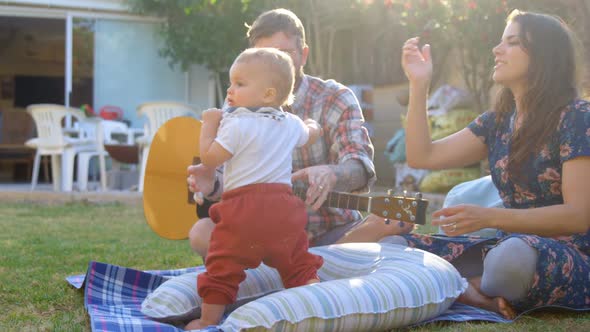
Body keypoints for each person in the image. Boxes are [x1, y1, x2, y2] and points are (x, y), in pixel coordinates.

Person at [375, 10, 590, 319]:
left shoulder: (577, 117)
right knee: (394, 245)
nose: (496, 50)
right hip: (502, 247)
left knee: (511, 260)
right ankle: (474, 292)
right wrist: (419, 84)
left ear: (544, 55)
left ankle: (453, 286)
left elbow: (577, 216)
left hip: (565, 256)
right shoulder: (498, 122)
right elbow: (423, 156)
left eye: (512, 42)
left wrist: (487, 216)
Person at [187, 8, 377, 258]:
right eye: (265, 55)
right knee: (202, 232)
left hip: (333, 233)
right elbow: (233, 184)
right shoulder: (237, 105)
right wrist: (211, 183)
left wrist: (332, 174)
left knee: (392, 240)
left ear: (304, 54)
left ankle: (276, 276)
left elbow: (360, 168)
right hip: (263, 236)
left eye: (284, 53)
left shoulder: (336, 97)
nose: (275, 62)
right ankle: (292, 272)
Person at [185, 48, 324, 329]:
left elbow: (211, 157)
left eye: (240, 84)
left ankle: (207, 320)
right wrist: (313, 125)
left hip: (242, 212)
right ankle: (319, 306)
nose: (230, 90)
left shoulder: (236, 124)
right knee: (297, 261)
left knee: (222, 266)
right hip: (284, 210)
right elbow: (309, 135)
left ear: (269, 94)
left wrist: (208, 126)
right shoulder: (290, 123)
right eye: (231, 82)